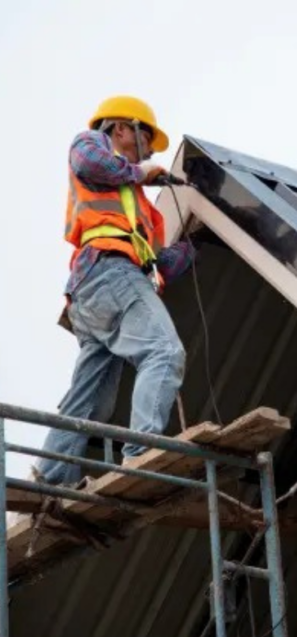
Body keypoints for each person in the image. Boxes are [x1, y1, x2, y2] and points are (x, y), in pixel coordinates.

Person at [33, 95, 198, 487]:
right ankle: (140, 453)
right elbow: (89, 163)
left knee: (90, 398)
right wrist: (142, 172)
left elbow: (160, 264)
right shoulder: (91, 144)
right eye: (144, 138)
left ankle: (53, 477)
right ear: (121, 127)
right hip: (108, 273)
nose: (146, 150)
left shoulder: (138, 207)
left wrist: (192, 247)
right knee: (163, 351)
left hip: (97, 291)